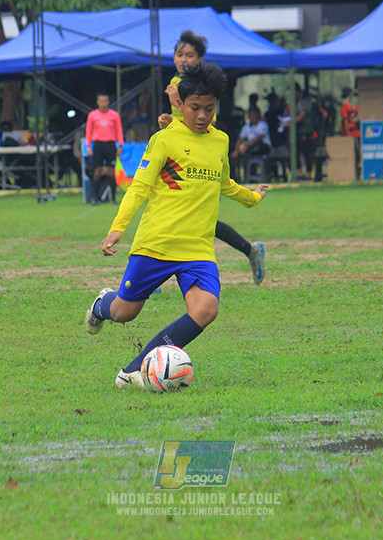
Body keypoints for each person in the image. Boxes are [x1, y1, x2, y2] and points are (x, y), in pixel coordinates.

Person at [84, 62, 269, 389]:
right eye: (195, 108)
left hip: (197, 248)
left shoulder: (220, 141)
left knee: (206, 309)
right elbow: (139, 186)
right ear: (179, 104)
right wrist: (118, 227)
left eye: (209, 109)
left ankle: (133, 371)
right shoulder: (164, 140)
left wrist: (252, 197)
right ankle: (102, 305)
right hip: (157, 243)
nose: (202, 115)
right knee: (126, 312)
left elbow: (223, 183)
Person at [157, 30, 267, 284]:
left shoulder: (200, 85)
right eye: (179, 54)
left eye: (190, 55)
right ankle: (250, 251)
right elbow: (182, 126)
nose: (183, 59)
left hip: (202, 155)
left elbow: (208, 122)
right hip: (179, 157)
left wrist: (174, 106)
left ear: (201, 59)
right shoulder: (176, 80)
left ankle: (152, 275)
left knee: (196, 216)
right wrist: (167, 122)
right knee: (176, 210)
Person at [86, 92, 123, 204]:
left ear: (108, 102)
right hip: (98, 144)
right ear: (97, 102)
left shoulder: (114, 115)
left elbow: (118, 130)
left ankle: (113, 198)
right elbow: (89, 131)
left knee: (111, 171)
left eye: (105, 101)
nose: (103, 103)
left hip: (110, 144)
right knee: (97, 171)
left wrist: (120, 145)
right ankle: (96, 198)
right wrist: (88, 146)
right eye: (101, 101)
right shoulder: (92, 115)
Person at [231, 105, 272, 181]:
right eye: (251, 115)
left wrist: (246, 145)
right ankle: (243, 177)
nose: (253, 117)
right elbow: (240, 139)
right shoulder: (246, 127)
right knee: (239, 155)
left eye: (254, 115)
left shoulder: (263, 125)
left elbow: (258, 138)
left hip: (263, 147)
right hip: (250, 148)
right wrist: (236, 149)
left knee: (253, 145)